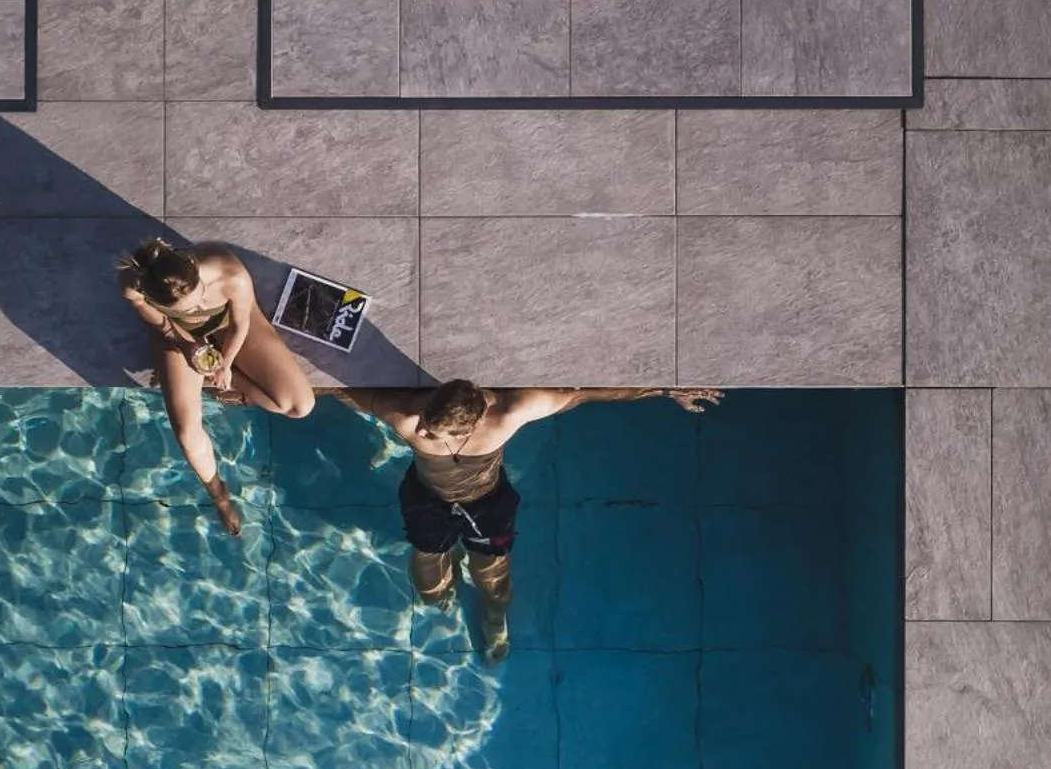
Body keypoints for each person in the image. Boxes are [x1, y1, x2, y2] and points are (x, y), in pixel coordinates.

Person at [327, 380, 722, 662]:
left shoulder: (507, 414)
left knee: (493, 574)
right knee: (428, 560)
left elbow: (579, 395)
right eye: (426, 423)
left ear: (471, 426)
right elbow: (350, 391)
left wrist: (662, 391)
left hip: (486, 503)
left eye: (435, 431)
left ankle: (493, 616)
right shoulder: (410, 417)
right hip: (426, 497)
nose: (422, 432)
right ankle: (439, 596)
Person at [118, 238, 315, 534]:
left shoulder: (229, 274)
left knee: (299, 406)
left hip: (227, 326)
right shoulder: (136, 284)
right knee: (186, 432)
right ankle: (219, 495)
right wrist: (181, 340)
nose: (197, 307)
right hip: (177, 337)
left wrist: (225, 364)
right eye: (187, 307)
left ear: (196, 272)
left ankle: (229, 376)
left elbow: (240, 324)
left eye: (199, 299)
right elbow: (138, 303)